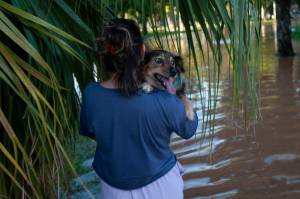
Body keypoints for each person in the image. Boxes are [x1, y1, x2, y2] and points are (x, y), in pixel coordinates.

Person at [79, 18, 198, 199]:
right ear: (142, 51)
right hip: (162, 187)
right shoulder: (165, 99)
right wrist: (182, 99)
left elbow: (91, 132)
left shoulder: (90, 94)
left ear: (104, 56)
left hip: (114, 190)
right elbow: (189, 129)